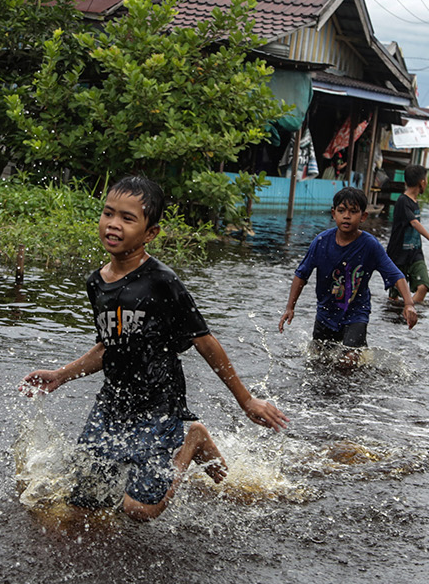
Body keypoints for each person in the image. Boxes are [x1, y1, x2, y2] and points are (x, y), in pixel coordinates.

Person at [21, 176, 288, 521]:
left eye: (128, 218)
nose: (114, 224)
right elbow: (108, 346)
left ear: (150, 233)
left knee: (139, 511)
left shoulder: (162, 281)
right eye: (108, 213)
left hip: (159, 404)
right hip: (112, 403)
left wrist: (246, 399)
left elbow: (204, 341)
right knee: (84, 506)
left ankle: (191, 437)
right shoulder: (96, 283)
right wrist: (61, 375)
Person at [281, 186, 419, 361]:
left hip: (357, 313)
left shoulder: (370, 245)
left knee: (349, 360)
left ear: (363, 216)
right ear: (333, 214)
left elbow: (396, 275)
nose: (346, 216)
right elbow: (301, 274)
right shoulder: (321, 242)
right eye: (341, 211)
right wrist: (290, 307)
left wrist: (409, 304)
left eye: (353, 212)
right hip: (326, 313)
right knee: (319, 360)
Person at [387, 164, 429, 303]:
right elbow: (414, 223)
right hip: (398, 255)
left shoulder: (414, 201)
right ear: (422, 182)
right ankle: (400, 314)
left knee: (423, 286)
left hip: (415, 252)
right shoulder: (402, 201)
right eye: (426, 180)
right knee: (394, 297)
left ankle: (409, 310)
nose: (427, 183)